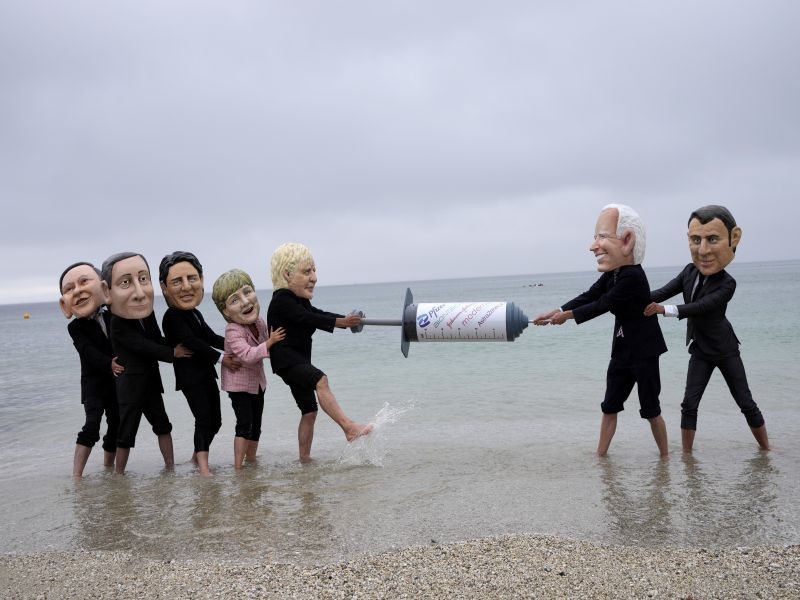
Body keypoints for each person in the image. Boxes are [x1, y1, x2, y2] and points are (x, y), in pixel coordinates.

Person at [534, 204, 669, 457]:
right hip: (622, 349)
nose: (593, 246)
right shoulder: (614, 273)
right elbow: (591, 295)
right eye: (595, 237)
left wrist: (567, 317)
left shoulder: (633, 276)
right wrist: (556, 310)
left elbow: (604, 304)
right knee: (609, 405)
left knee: (651, 409)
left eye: (602, 237)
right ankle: (601, 456)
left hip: (645, 350)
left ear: (627, 241)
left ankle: (665, 458)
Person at [645, 205, 769, 452]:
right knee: (689, 404)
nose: (703, 249)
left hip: (725, 350)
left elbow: (700, 307)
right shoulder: (689, 271)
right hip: (700, 348)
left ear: (733, 239)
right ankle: (687, 456)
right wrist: (632, 297)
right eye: (696, 240)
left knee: (745, 402)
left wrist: (662, 310)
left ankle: (766, 449)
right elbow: (663, 291)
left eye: (712, 239)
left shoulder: (727, 284)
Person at [267, 242, 373, 463]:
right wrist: (341, 322)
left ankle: (304, 459)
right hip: (287, 360)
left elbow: (317, 313)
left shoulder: (299, 300)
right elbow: (308, 318)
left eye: (314, 271)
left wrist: (346, 321)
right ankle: (349, 428)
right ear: (287, 274)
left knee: (309, 410)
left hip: (296, 360)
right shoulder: (282, 299)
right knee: (320, 380)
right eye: (307, 272)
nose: (314, 278)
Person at [101, 252, 193, 474]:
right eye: (126, 282)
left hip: (151, 381)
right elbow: (142, 345)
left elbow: (156, 339)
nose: (139, 293)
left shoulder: (147, 314)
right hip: (130, 385)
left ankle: (170, 467)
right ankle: (119, 475)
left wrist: (182, 342)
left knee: (163, 425)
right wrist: (172, 353)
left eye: (143, 279)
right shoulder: (117, 322)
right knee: (126, 433)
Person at [159, 251, 242, 476]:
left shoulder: (194, 313)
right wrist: (222, 358)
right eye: (177, 281)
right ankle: (204, 467)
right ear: (165, 287)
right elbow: (191, 342)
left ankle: (196, 457)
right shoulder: (172, 316)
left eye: (191, 278)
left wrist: (238, 345)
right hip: (190, 377)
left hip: (205, 373)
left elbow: (209, 337)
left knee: (216, 420)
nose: (186, 287)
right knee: (203, 418)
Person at [211, 269, 284, 469]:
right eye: (234, 300)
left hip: (258, 382)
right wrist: (270, 343)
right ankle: (238, 467)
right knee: (244, 424)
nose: (245, 302)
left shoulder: (259, 322)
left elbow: (271, 345)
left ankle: (251, 461)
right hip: (239, 386)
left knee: (256, 424)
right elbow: (248, 355)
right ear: (226, 311)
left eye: (247, 292)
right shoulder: (232, 330)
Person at [59, 262, 123, 478]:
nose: (78, 291)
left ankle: (108, 469)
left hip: (116, 380)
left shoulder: (114, 314)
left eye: (84, 282)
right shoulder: (75, 327)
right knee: (91, 425)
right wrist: (108, 363)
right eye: (69, 289)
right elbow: (87, 351)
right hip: (93, 384)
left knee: (116, 425)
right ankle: (77, 475)